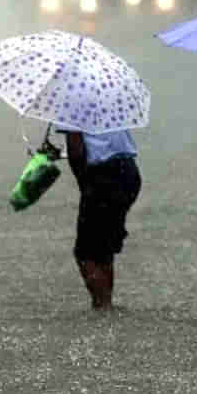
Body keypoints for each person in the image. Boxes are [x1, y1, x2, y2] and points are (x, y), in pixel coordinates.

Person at [59, 127, 141, 311]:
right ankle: (106, 302)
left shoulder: (72, 102)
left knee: (85, 253)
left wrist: (84, 183)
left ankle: (103, 307)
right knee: (104, 246)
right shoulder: (112, 99)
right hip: (128, 172)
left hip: (103, 177)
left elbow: (76, 149)